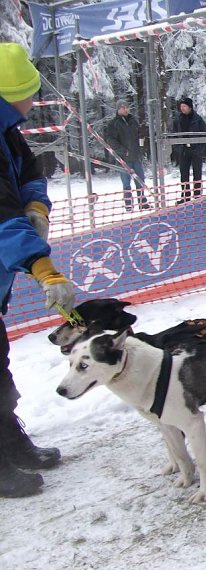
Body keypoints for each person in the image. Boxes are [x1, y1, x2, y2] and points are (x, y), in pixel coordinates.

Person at [0, 42, 76, 497]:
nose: (34, 102)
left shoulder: (8, 130)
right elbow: (1, 219)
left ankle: (12, 445)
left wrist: (37, 205)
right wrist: (43, 268)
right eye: (28, 94)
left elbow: (29, 173)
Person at [105, 98, 149, 212]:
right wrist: (123, 151)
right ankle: (128, 204)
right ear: (118, 109)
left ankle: (142, 202)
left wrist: (141, 143)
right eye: (123, 108)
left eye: (127, 107)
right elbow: (110, 140)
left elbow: (139, 134)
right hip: (123, 159)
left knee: (140, 180)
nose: (126, 110)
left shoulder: (133, 120)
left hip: (136, 156)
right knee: (126, 183)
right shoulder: (114, 124)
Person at [171, 97, 206, 204]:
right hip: (183, 150)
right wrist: (177, 149)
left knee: (197, 174)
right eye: (181, 106)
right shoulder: (178, 120)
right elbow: (173, 135)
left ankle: (197, 196)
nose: (182, 108)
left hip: (196, 151)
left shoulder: (197, 119)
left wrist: (199, 147)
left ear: (190, 107)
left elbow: (205, 133)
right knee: (184, 175)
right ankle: (185, 197)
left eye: (184, 106)